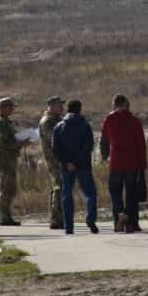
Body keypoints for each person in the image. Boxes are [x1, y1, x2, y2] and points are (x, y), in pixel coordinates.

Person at [101, 94, 148, 233]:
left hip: (115, 162)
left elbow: (103, 140)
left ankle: (119, 217)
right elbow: (141, 144)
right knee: (132, 194)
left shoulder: (109, 119)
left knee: (115, 192)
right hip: (132, 163)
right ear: (127, 104)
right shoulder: (134, 121)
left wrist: (105, 156)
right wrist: (142, 164)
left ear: (114, 104)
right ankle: (131, 222)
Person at [51, 99, 99, 235]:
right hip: (83, 165)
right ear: (80, 109)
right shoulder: (85, 126)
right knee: (90, 193)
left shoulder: (59, 126)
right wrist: (77, 162)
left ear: (67, 109)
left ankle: (69, 226)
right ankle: (90, 219)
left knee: (67, 194)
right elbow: (88, 146)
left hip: (66, 167)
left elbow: (55, 148)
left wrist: (67, 162)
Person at [0, 97, 26, 226]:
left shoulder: (5, 121)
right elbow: (6, 142)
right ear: (3, 108)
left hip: (9, 158)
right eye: (10, 107)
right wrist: (21, 143)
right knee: (8, 188)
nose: (12, 109)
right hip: (5, 159)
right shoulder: (0, 123)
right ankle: (5, 218)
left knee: (6, 187)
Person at [38, 96, 66, 230]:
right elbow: (55, 138)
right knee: (58, 187)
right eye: (59, 105)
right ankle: (56, 219)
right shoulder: (47, 121)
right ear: (51, 106)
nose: (62, 108)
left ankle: (59, 218)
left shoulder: (57, 120)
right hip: (54, 159)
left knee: (59, 187)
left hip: (59, 158)